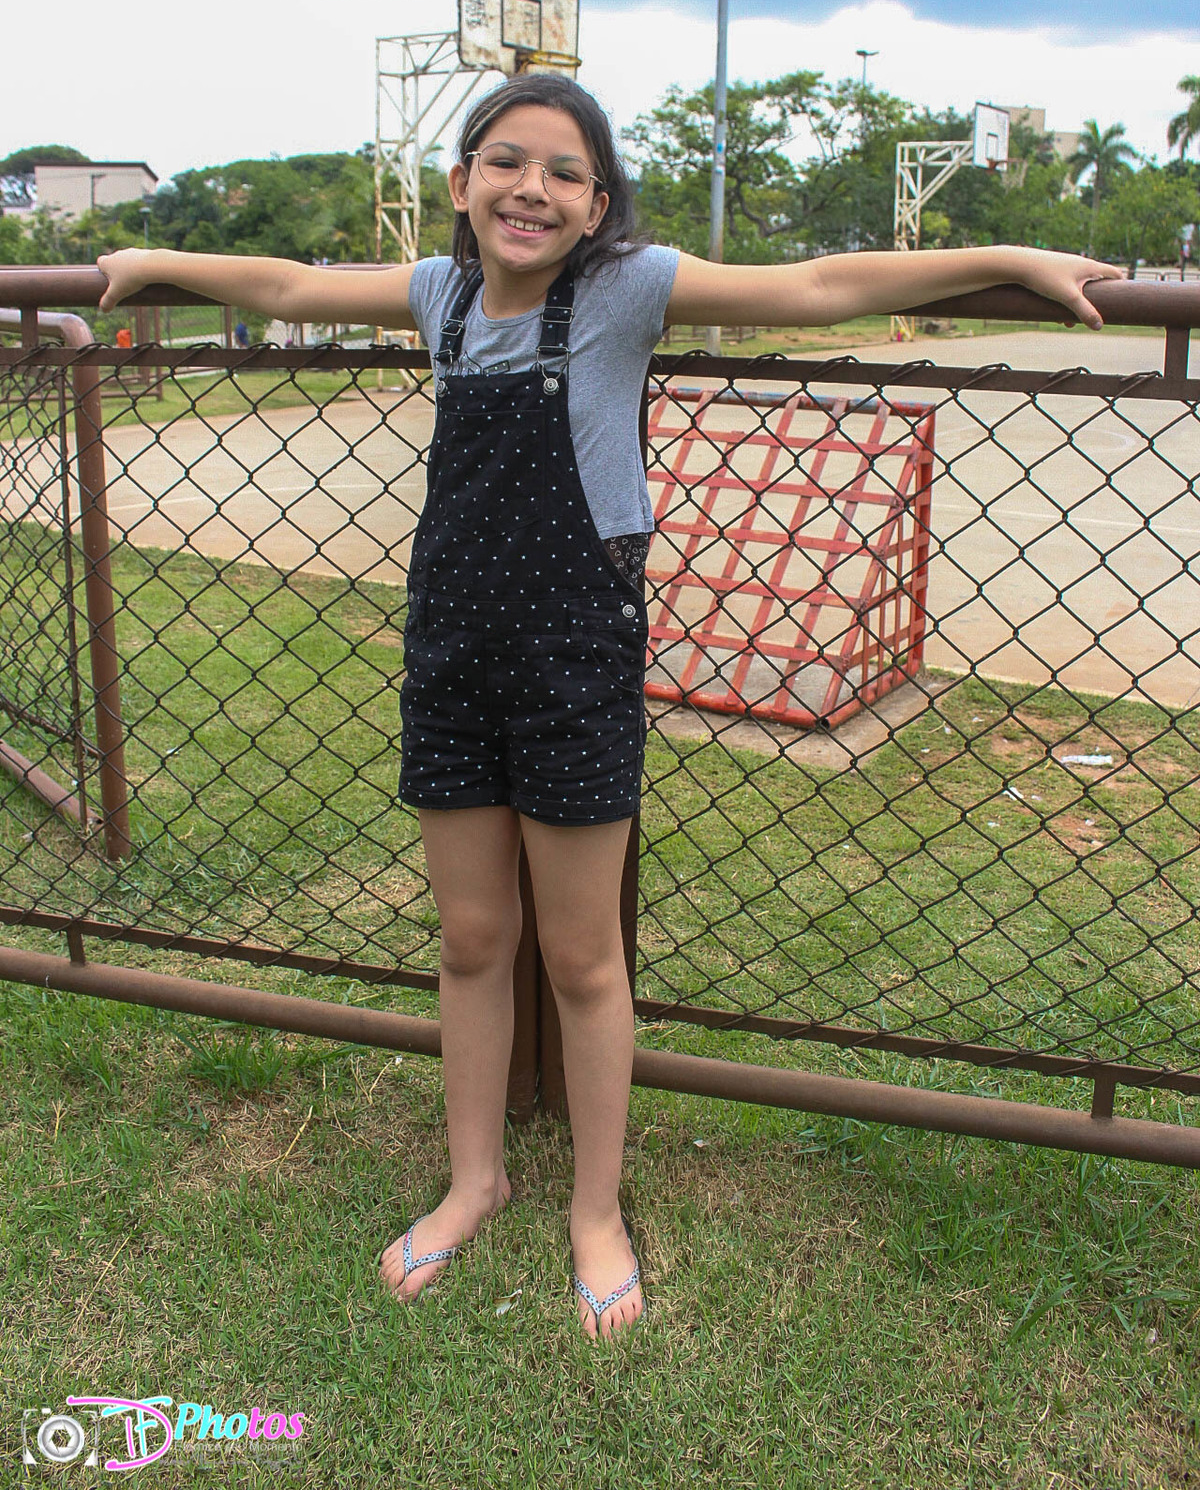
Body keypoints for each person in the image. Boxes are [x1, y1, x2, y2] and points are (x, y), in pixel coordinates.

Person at [97, 74, 1120, 1340]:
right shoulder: (440, 295)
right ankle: (474, 1180)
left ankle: (595, 1209)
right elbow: (290, 287)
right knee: (472, 939)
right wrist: (152, 260)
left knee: (582, 958)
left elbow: (818, 285)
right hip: (452, 655)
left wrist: (1012, 257)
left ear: (596, 204)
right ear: (462, 182)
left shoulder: (626, 291)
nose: (531, 188)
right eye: (505, 161)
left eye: (564, 172)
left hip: (575, 659)